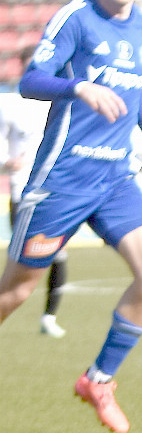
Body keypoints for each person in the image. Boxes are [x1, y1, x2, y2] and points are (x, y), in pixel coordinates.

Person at [1, 0, 142, 433]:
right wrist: (78, 87)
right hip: (63, 180)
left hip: (116, 179)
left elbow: (134, 87)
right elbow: (31, 81)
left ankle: (98, 380)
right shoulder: (76, 18)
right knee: (17, 292)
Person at [2, 84, 67, 337]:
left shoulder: (59, 102)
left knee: (59, 256)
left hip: (52, 194)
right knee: (20, 267)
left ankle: (50, 316)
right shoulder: (9, 106)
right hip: (22, 194)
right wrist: (6, 162)